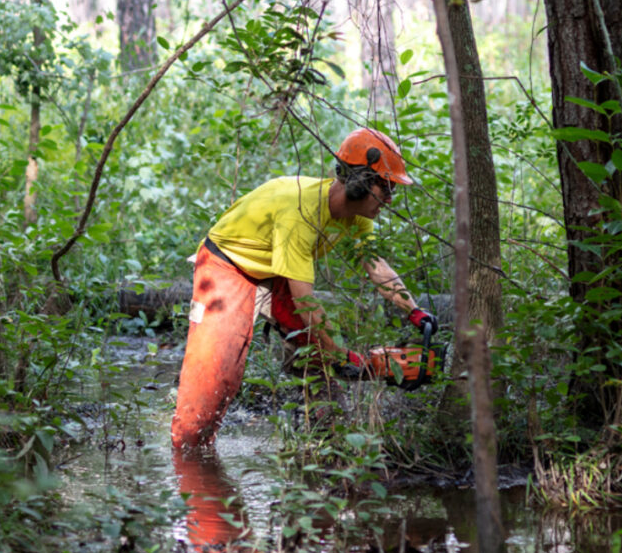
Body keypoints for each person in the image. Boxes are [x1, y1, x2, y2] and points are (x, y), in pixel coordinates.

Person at [171, 128, 437, 449]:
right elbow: (305, 302)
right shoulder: (301, 213)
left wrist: (415, 311)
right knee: (217, 376)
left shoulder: (357, 217)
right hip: (226, 265)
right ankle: (189, 454)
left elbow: (376, 265)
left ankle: (327, 447)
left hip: (274, 269)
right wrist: (343, 356)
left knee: (321, 354)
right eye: (387, 187)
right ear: (361, 183)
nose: (391, 199)